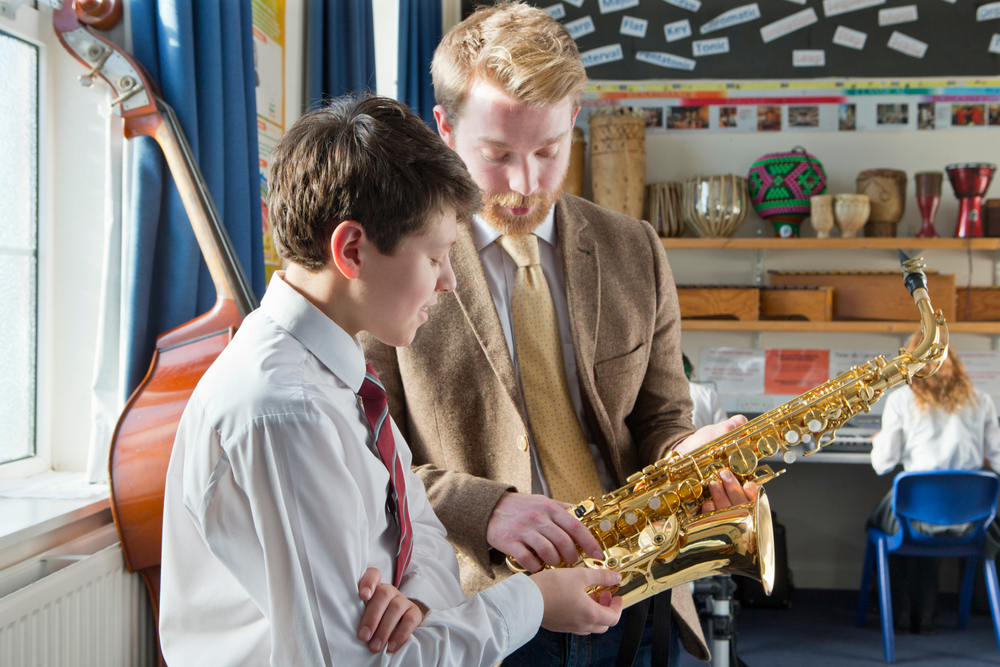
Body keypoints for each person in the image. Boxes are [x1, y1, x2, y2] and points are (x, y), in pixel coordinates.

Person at [157, 95, 625, 667]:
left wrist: (415, 600)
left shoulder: (339, 372)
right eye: (434, 257)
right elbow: (354, 663)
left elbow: (421, 531)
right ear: (352, 249)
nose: (449, 281)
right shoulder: (286, 410)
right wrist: (531, 602)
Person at [360, 4, 755, 665]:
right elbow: (367, 457)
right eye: (497, 155)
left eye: (548, 151)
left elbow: (661, 419)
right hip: (480, 610)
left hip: (636, 597)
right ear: (445, 130)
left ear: (574, 119)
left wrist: (693, 452)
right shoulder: (393, 260)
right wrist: (485, 508)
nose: (525, 184)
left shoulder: (635, 247)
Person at [868, 335, 1000, 635]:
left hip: (916, 517)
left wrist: (880, 441)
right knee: (916, 514)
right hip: (970, 520)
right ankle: (926, 614)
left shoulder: (901, 399)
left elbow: (883, 464)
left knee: (885, 522)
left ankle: (902, 614)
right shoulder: (981, 400)